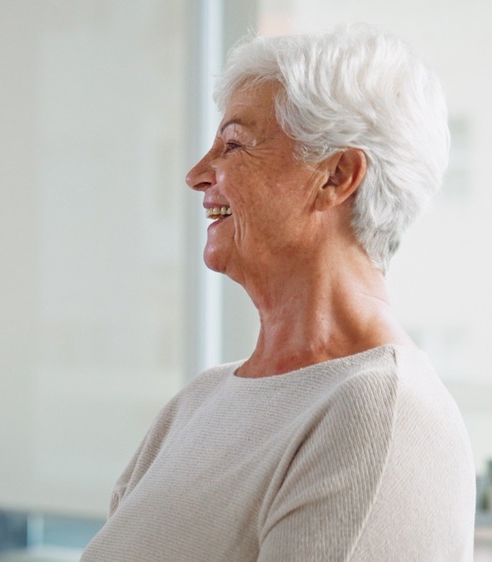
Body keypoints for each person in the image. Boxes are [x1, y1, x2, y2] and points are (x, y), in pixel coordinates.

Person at [82, 24, 473, 561]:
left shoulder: (384, 415)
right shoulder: (198, 404)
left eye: (234, 145)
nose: (197, 174)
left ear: (336, 176)